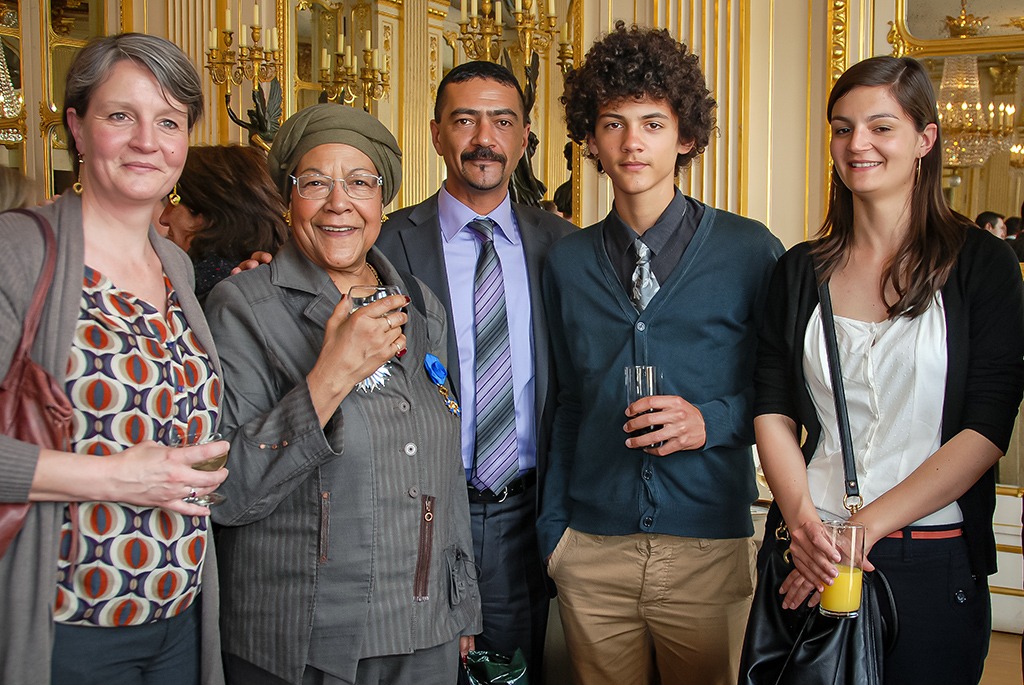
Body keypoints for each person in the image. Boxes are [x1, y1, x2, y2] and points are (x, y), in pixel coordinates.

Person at [751, 55, 1024, 684]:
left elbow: (986, 427)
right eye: (842, 129)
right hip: (807, 552)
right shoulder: (798, 270)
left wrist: (860, 532)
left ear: (925, 138)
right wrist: (805, 528)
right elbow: (772, 407)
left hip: (930, 556)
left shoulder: (982, 264)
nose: (858, 144)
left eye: (881, 127)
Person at [537, 22, 783, 685]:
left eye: (652, 121)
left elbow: (790, 392)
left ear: (687, 136)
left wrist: (716, 421)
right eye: (613, 123)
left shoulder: (750, 251)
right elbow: (564, 403)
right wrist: (556, 534)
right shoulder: (565, 261)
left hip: (709, 543)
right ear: (591, 140)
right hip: (591, 550)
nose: (633, 141)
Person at [204, 103, 481, 685]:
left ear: (383, 202)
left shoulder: (421, 306)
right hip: (304, 637)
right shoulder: (244, 308)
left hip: (424, 628)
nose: (339, 202)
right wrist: (328, 377)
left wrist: (464, 607)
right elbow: (229, 494)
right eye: (315, 183)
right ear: (288, 197)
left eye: (359, 182)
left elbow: (446, 472)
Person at [0, 33, 229, 685]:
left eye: (168, 121)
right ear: (76, 126)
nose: (146, 141)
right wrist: (115, 478)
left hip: (181, 617)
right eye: (119, 115)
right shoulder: (20, 251)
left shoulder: (175, 266)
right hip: (67, 628)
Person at [376, 60, 574, 682]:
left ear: (522, 138)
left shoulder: (563, 247)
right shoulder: (382, 244)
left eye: (502, 121)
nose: (483, 137)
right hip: (418, 512)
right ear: (436, 134)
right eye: (465, 120)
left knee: (512, 674)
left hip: (523, 518)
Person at [160, 145, 288, 300]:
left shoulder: (208, 294)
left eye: (173, 202)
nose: (164, 218)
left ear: (210, 215)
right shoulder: (275, 277)